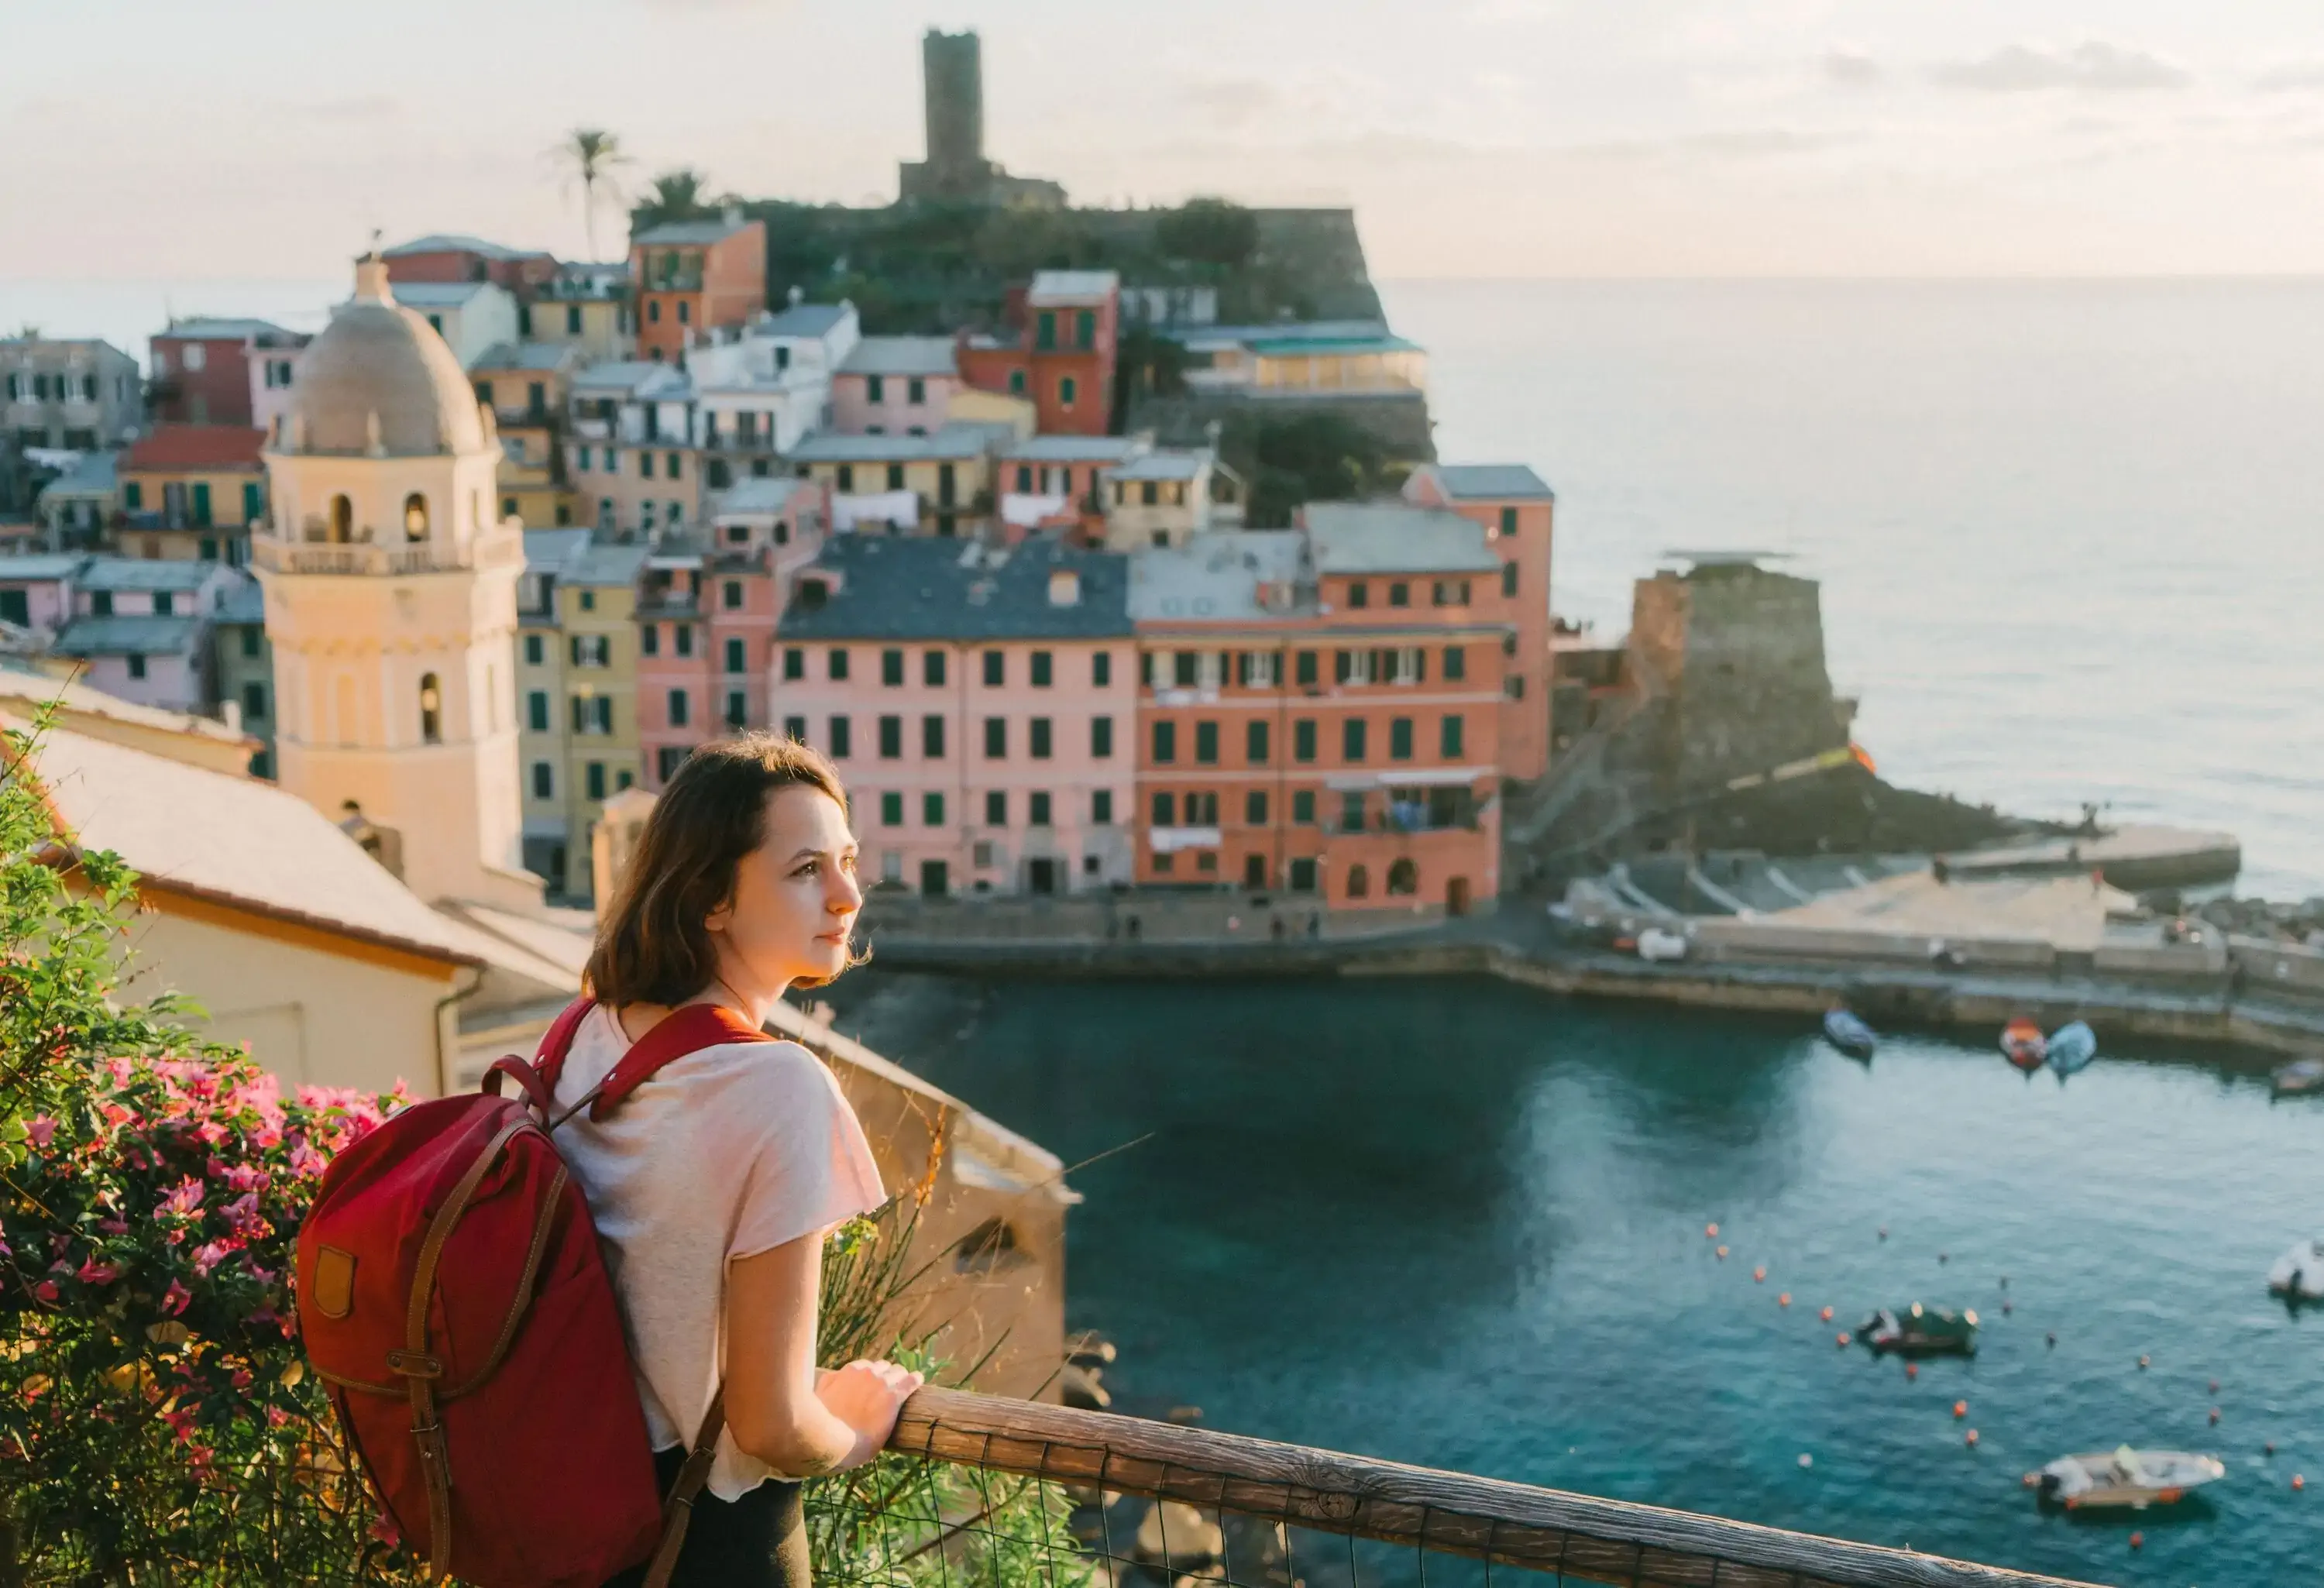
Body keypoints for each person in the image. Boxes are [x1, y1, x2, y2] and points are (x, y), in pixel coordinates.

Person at [559, 734, 923, 1587]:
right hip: (709, 1539)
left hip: (566, 1504)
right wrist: (860, 1429)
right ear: (712, 899)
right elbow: (768, 1423)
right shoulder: (778, 1084)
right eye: (806, 871)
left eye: (848, 862)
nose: (847, 896)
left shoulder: (582, 1031)